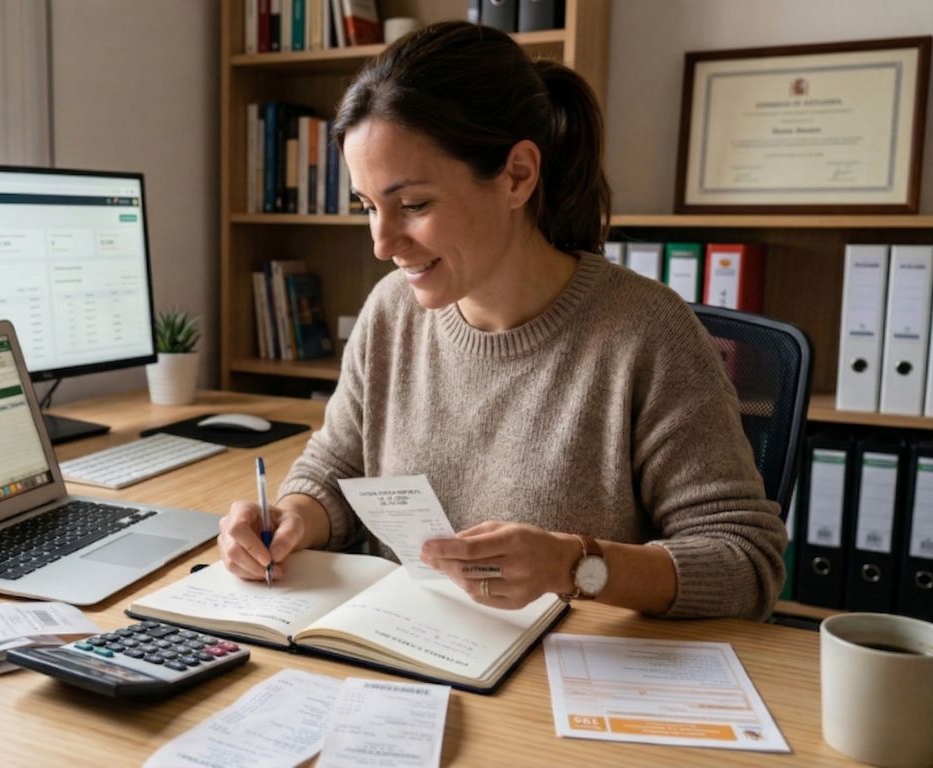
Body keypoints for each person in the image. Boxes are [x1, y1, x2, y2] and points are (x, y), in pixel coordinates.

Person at [217, 21, 787, 620]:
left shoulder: (647, 335)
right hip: (412, 658)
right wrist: (289, 519)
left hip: (564, 689)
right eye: (368, 207)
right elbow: (334, 468)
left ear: (517, 175)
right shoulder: (391, 312)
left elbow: (746, 562)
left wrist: (576, 566)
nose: (383, 243)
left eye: (413, 205)